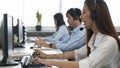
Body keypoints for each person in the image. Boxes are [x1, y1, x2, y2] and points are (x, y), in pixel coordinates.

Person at [32, 0, 120, 68]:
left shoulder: (109, 42)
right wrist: (46, 56)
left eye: (84, 12)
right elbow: (76, 53)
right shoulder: (94, 36)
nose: (81, 17)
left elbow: (87, 64)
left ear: (94, 15)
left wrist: (47, 62)